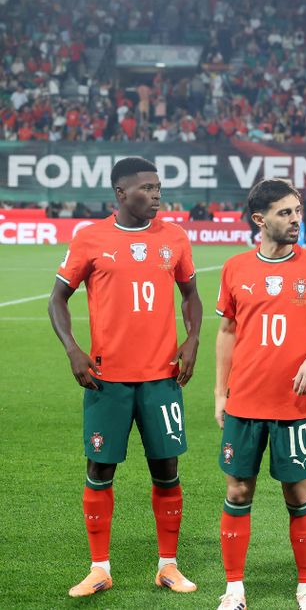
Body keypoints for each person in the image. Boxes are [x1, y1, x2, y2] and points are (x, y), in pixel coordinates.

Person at [49, 156, 203, 597]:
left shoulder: (174, 237)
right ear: (121, 193)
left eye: (158, 187)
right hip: (106, 378)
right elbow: (57, 299)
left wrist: (191, 339)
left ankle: (168, 566)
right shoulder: (90, 238)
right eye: (148, 188)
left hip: (161, 378)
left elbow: (191, 295)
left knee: (166, 469)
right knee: (100, 468)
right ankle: (99, 568)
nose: (157, 194)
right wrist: (74, 350)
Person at [213, 179, 306, 610]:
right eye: (285, 212)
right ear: (260, 219)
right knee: (238, 492)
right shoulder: (235, 267)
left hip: (294, 405)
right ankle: (234, 591)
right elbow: (226, 330)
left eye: (297, 210)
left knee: (298, 494)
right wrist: (220, 392)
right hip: (244, 402)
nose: (297, 219)